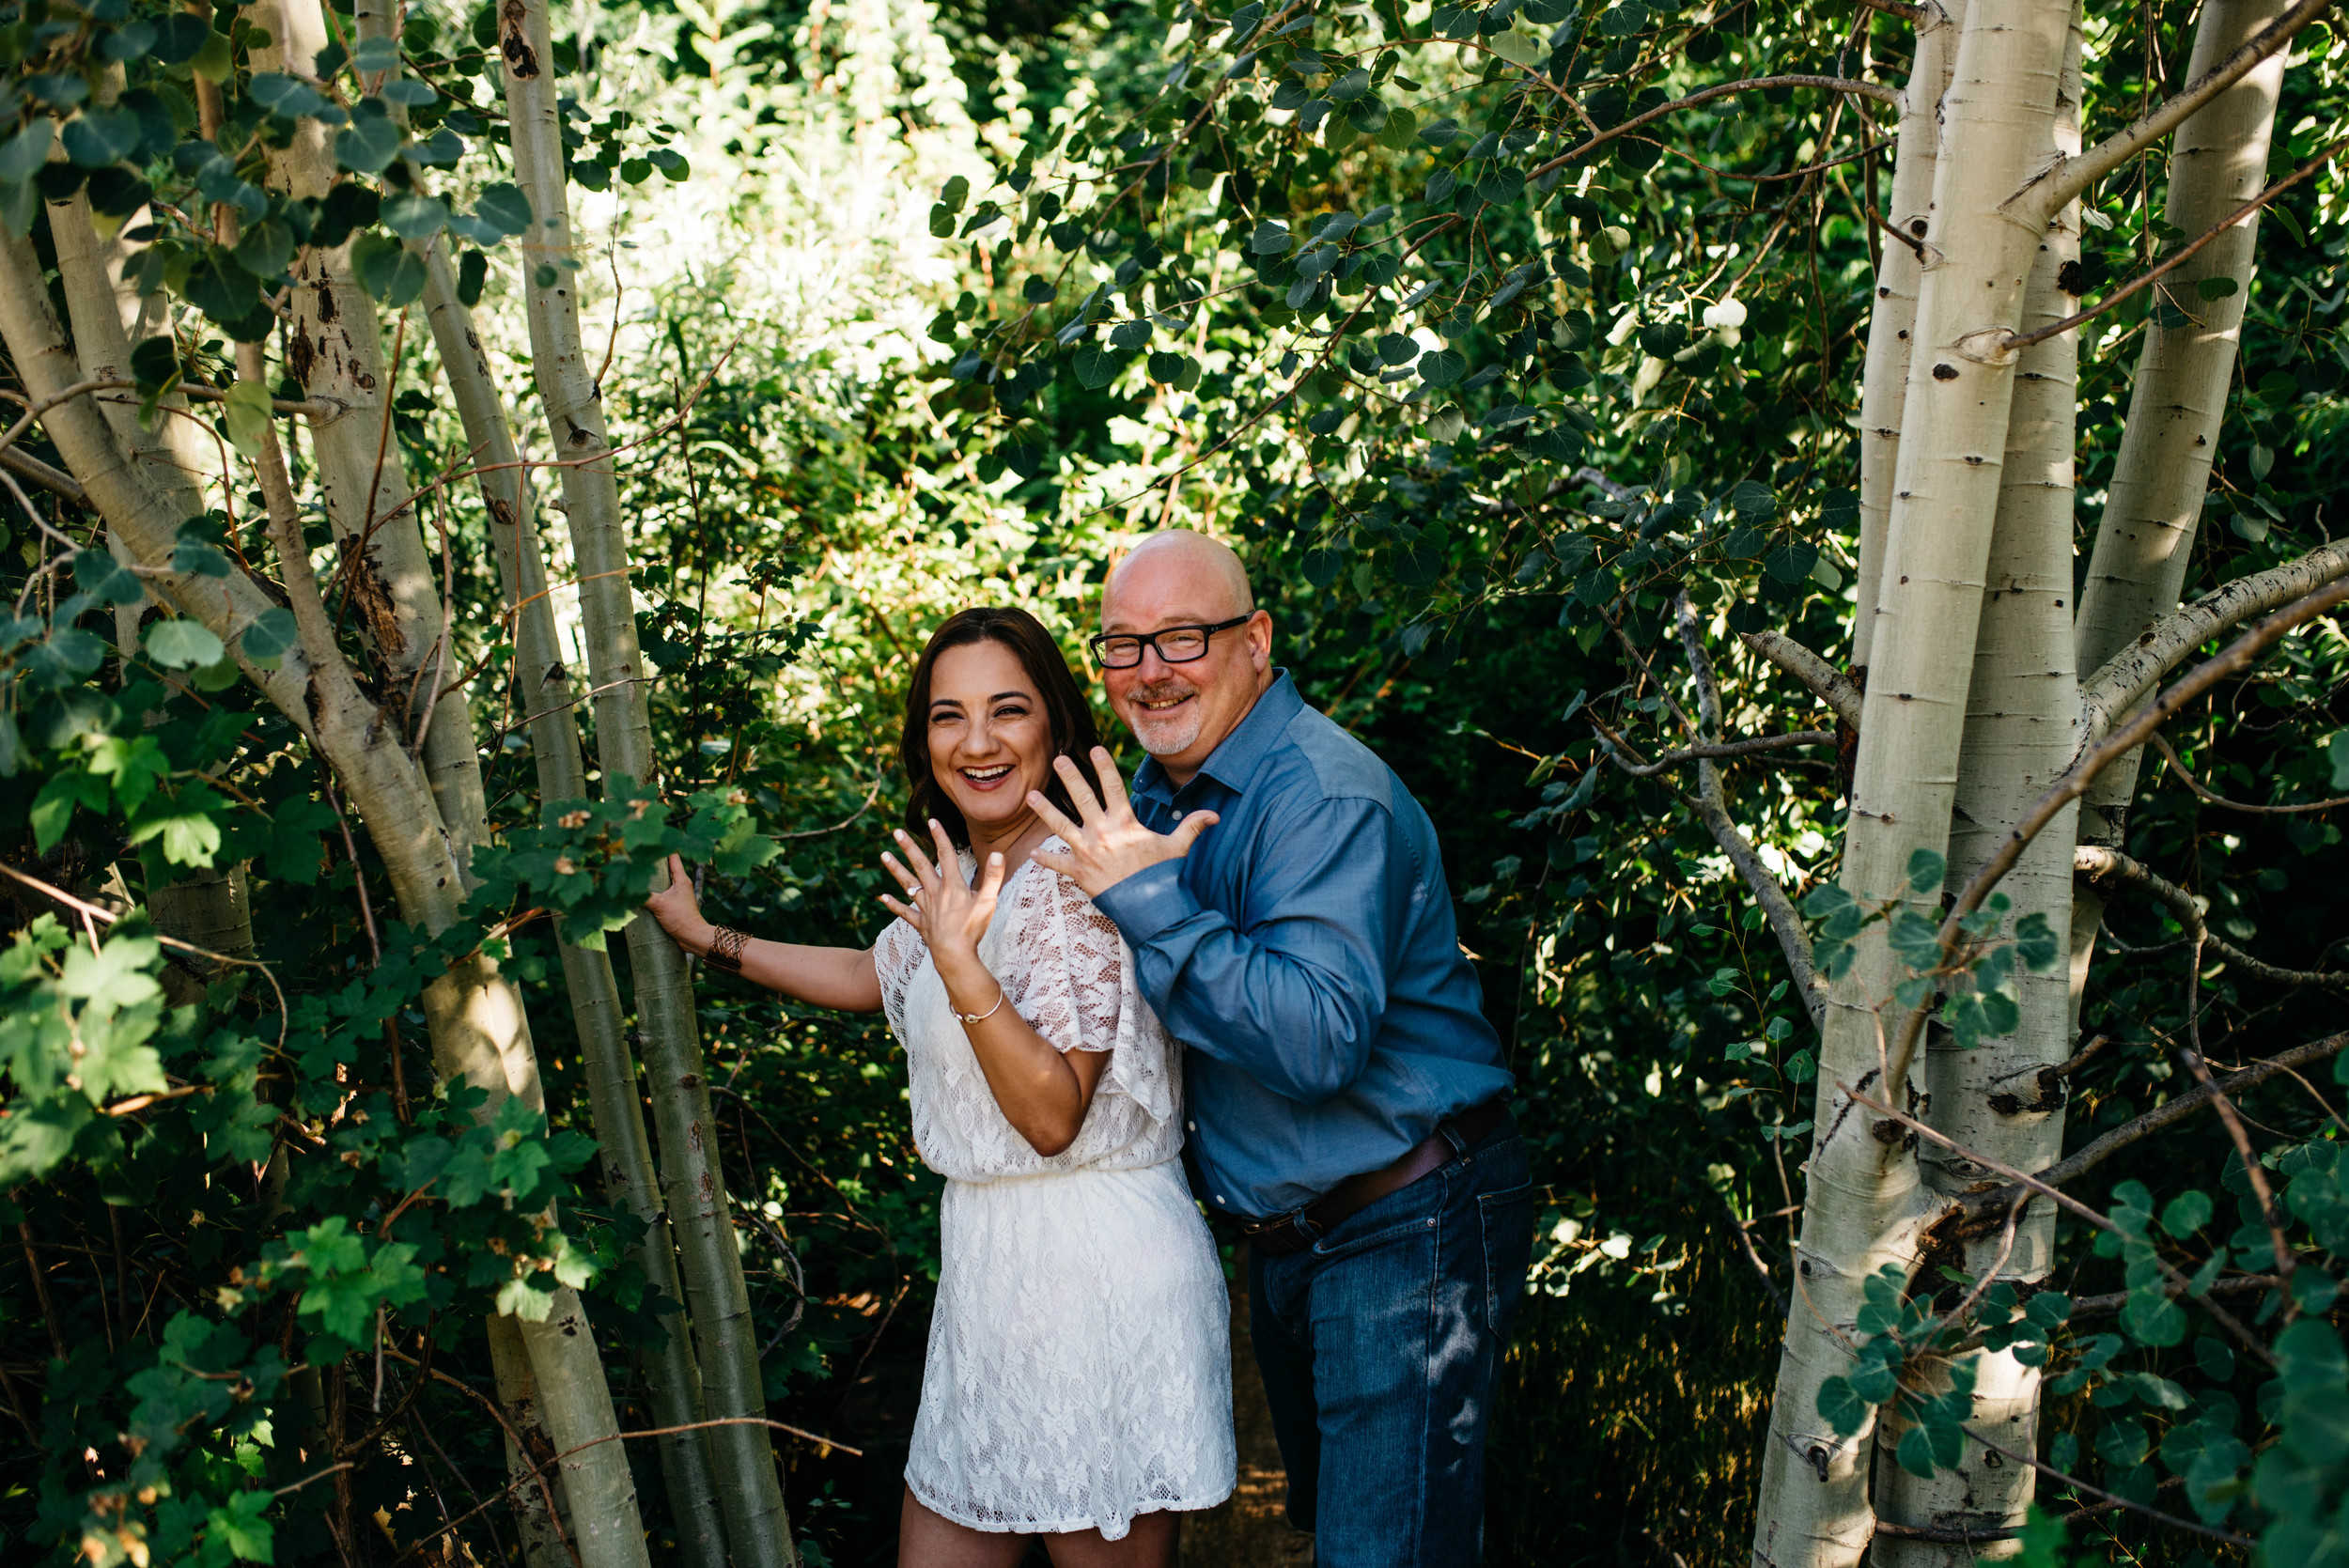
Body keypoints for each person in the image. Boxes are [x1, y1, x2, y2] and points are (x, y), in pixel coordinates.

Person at [645, 606, 1234, 1567]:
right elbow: (878, 973)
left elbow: (1049, 1116)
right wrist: (708, 937)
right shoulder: (962, 872)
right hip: (992, 1273)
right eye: (947, 715)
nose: (977, 741)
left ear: (1055, 726)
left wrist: (963, 966)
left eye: (1008, 709)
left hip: (1095, 1269)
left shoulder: (1082, 883)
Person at [1025, 530, 1532, 1567]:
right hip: (1291, 1237)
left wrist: (1146, 896)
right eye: (1123, 645)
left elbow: (1311, 1042)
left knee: (1382, 1554)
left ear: (1255, 640)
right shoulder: (1153, 792)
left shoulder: (1322, 797)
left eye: (1181, 637)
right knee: (1358, 1538)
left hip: (1406, 1219)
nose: (1150, 671)